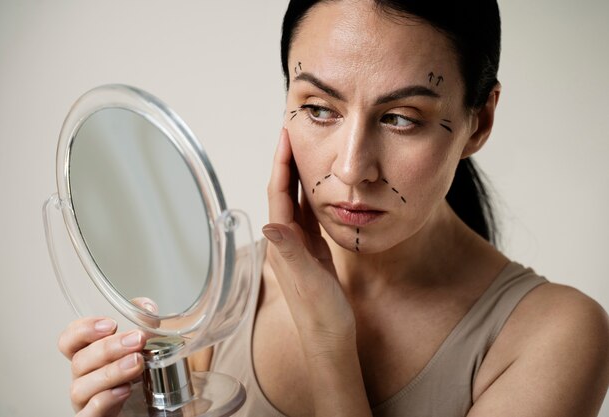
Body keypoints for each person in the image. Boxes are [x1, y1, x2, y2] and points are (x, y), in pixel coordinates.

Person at [58, 0, 609, 416]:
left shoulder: (554, 336)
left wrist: (326, 340)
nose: (351, 168)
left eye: (402, 118)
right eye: (319, 108)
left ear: (479, 122)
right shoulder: (210, 302)